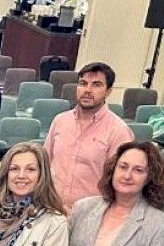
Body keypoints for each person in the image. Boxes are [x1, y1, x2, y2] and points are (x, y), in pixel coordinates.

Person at [45, 62, 133, 212]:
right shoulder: (60, 121)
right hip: (51, 210)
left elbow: (120, 183)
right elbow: (45, 163)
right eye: (83, 83)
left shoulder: (119, 131)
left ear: (108, 91)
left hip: (90, 215)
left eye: (96, 85)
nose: (87, 90)